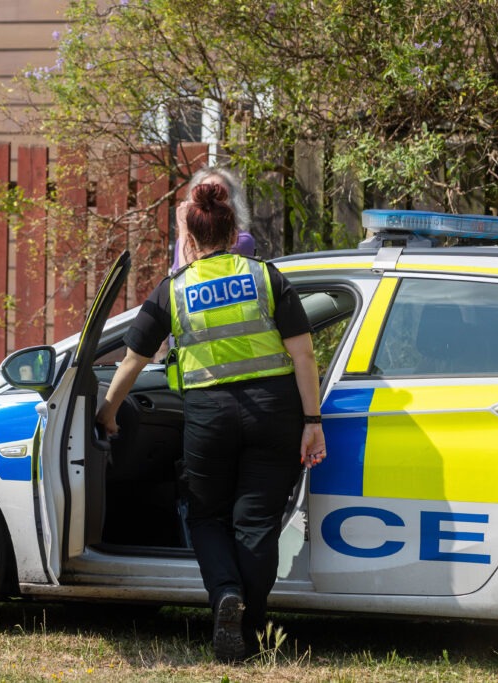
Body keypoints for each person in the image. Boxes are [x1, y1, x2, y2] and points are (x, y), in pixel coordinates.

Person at [96, 182, 326, 663]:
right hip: (274, 411)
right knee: (257, 523)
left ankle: (224, 594)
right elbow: (304, 355)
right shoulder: (265, 277)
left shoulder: (174, 290)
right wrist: (312, 421)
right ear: (234, 229)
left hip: (208, 415)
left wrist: (108, 413)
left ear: (189, 239)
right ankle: (254, 629)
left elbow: (131, 362)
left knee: (206, 516)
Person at [172, 167, 256, 273]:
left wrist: (184, 228)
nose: (211, 204)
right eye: (203, 197)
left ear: (232, 205)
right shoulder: (183, 240)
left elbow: (188, 280)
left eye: (219, 196)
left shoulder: (242, 240)